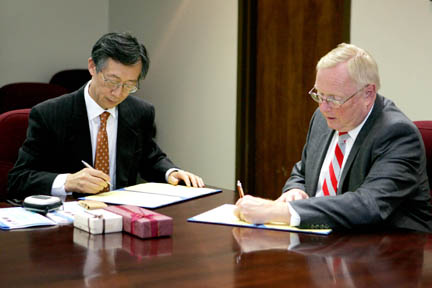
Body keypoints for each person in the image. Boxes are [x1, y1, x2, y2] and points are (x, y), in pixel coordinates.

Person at [235, 43, 432, 232]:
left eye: (334, 99)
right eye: (319, 95)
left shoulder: (397, 134)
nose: (323, 107)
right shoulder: (324, 118)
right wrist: (294, 191)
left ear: (368, 94)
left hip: (389, 252)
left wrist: (278, 211)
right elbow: (302, 171)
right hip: (325, 244)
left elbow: (368, 205)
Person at [7, 32, 204, 200]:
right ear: (92, 67)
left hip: (122, 218)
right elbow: (18, 179)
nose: (118, 93)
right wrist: (68, 181)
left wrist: (172, 173)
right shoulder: (50, 114)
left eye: (129, 85)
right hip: (69, 221)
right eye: (112, 81)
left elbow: (150, 158)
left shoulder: (140, 112)